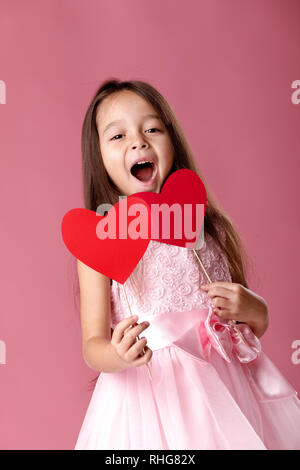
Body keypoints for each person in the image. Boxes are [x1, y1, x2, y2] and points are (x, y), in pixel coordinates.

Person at [74, 79, 300, 450]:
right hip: (149, 398)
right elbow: (91, 345)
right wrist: (116, 353)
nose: (138, 141)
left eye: (152, 129)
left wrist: (253, 307)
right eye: (118, 136)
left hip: (227, 390)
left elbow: (247, 330)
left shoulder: (209, 228)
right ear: (98, 157)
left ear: (172, 142)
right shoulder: (100, 241)